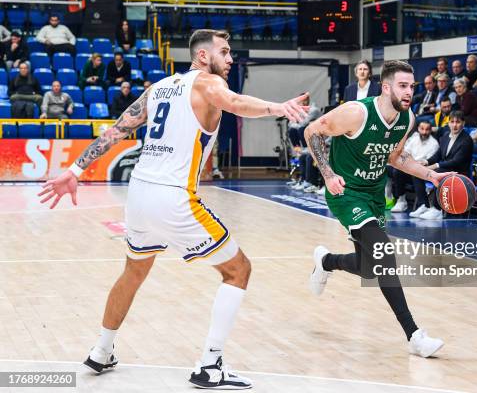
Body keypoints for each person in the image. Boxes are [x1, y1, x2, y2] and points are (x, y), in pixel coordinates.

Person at [37, 29, 309, 390]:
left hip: (139, 194)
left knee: (133, 272)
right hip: (174, 197)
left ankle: (102, 351)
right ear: (201, 57)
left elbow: (118, 130)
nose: (230, 59)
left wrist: (74, 170)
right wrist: (278, 108)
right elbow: (236, 102)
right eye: (224, 52)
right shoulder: (208, 84)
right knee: (238, 270)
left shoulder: (159, 88)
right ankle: (211, 365)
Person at [305, 60, 451, 359]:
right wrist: (329, 175)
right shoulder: (357, 112)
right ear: (385, 87)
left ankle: (326, 261)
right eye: (402, 85)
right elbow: (312, 132)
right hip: (347, 194)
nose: (410, 91)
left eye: (412, 86)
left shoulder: (406, 118)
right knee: (385, 255)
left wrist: (431, 176)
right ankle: (414, 335)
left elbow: (395, 158)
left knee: (370, 266)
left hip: (373, 195)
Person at [415, 111, 474, 220]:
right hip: (445, 168)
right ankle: (425, 205)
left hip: (458, 172)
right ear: (448, 123)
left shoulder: (467, 140)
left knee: (437, 173)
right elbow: (438, 154)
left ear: (463, 123)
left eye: (458, 122)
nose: (455, 125)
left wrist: (435, 165)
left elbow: (456, 161)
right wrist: (426, 162)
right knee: (418, 171)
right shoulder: (446, 136)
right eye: (452, 122)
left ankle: (437, 210)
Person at [389, 120, 439, 213]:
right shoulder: (414, 138)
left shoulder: (434, 143)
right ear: (418, 129)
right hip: (409, 167)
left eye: (427, 129)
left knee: (415, 173)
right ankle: (401, 200)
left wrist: (413, 164)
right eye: (422, 129)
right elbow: (405, 153)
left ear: (431, 130)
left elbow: (428, 162)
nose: (424, 132)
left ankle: (423, 205)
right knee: (395, 170)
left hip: (423, 172)